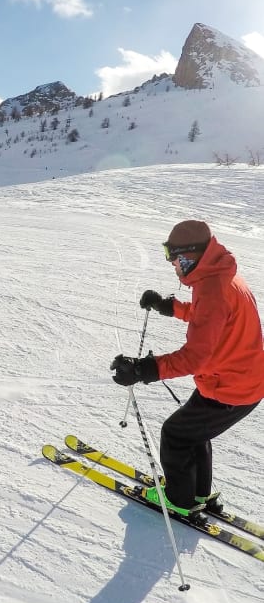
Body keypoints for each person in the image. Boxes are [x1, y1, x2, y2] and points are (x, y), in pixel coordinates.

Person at [110, 219, 264, 518]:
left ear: (191, 256)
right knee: (193, 433)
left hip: (232, 387)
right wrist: (169, 307)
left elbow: (196, 356)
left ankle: (179, 499)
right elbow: (206, 317)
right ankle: (197, 492)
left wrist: (144, 369)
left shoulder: (214, 288)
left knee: (176, 434)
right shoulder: (219, 278)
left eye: (174, 256)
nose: (171, 264)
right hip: (238, 381)